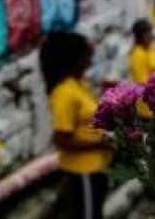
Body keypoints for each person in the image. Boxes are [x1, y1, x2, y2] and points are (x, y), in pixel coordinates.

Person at [41, 31, 111, 219]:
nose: (89, 62)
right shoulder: (64, 93)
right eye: (86, 57)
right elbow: (61, 139)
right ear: (73, 60)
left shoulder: (78, 84)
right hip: (83, 171)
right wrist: (101, 143)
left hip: (96, 167)